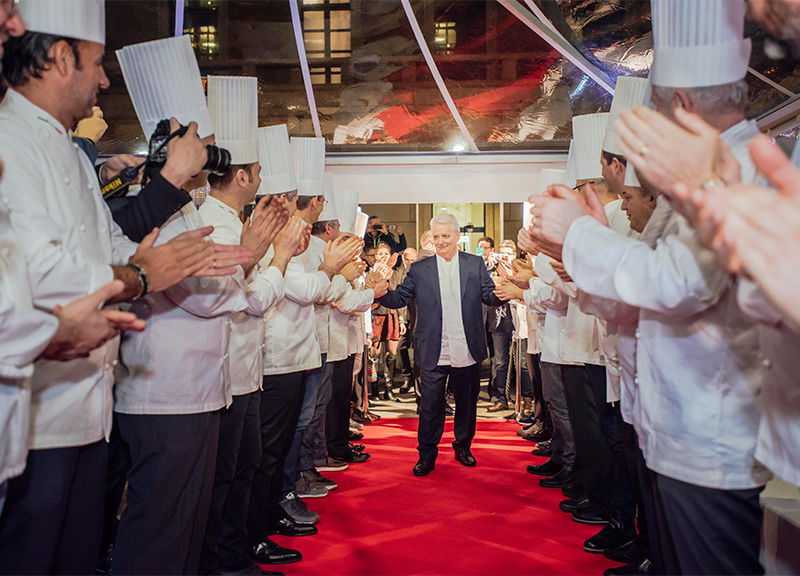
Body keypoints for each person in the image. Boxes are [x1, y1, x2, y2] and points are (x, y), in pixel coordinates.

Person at [0, 4, 248, 573]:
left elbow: (110, 243)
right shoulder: (12, 139)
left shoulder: (65, 148)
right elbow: (41, 271)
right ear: (61, 58)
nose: (103, 81)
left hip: (88, 409)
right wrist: (140, 274)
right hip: (36, 415)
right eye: (96, 63)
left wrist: (145, 264)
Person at [528, 1, 768, 573]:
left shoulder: (739, 170)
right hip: (677, 427)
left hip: (710, 435)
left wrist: (581, 235)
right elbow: (642, 294)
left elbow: (679, 281)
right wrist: (572, 250)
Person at [374, 213, 506, 476]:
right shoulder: (420, 269)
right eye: (436, 237)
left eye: (446, 236)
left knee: (466, 404)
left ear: (457, 236)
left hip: (467, 345)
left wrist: (505, 292)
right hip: (433, 346)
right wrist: (380, 292)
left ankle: (463, 446)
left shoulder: (474, 263)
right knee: (430, 405)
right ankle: (426, 453)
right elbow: (400, 297)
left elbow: (489, 296)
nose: (441, 241)